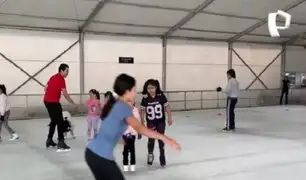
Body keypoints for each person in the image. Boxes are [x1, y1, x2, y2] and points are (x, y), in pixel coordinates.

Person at [85, 73, 180, 180]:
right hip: (100, 156)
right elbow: (141, 129)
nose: (135, 92)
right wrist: (167, 139)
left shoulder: (116, 103)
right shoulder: (123, 107)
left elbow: (108, 122)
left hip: (94, 153)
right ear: (127, 91)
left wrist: (118, 136)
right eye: (134, 89)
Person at [44, 63, 77, 152]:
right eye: (66, 71)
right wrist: (73, 103)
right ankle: (61, 143)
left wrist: (50, 93)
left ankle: (49, 140)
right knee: (60, 122)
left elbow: (45, 87)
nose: (67, 73)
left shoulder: (53, 77)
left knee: (54, 121)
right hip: (53, 103)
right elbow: (65, 94)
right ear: (61, 70)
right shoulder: (61, 79)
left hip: (47, 101)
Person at [140, 79, 173, 167]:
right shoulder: (145, 98)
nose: (150, 90)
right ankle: (150, 154)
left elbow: (167, 107)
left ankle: (162, 156)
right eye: (148, 88)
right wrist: (142, 121)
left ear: (156, 88)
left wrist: (170, 117)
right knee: (151, 140)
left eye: (152, 88)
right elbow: (142, 111)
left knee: (161, 139)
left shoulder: (161, 96)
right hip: (151, 122)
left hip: (160, 122)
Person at [122, 102, 141, 172]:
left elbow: (138, 122)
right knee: (126, 149)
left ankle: (133, 164)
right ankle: (125, 164)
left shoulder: (136, 110)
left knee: (132, 148)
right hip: (125, 132)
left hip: (133, 132)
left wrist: (139, 132)